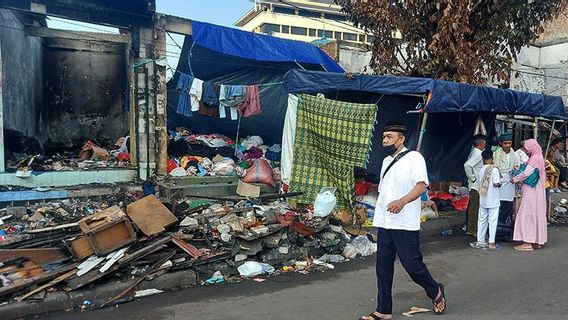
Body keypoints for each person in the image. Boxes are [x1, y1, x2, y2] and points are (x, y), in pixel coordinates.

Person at [361, 121, 446, 320]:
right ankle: (383, 310)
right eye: (383, 137)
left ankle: (434, 290)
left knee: (412, 265)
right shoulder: (385, 162)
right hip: (385, 222)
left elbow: (421, 186)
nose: (385, 140)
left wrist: (402, 201)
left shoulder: (414, 158)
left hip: (405, 223)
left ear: (401, 139)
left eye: (389, 136)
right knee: (383, 268)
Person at [511, 139, 547, 251]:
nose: (526, 150)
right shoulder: (539, 157)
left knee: (527, 212)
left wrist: (515, 179)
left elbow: (526, 173)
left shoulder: (534, 158)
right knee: (536, 212)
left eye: (527, 148)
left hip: (532, 190)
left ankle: (527, 242)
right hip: (538, 190)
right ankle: (536, 241)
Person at [470, 150, 501, 250]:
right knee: (492, 220)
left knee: (482, 219)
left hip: (483, 199)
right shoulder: (494, 170)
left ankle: (480, 240)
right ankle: (491, 242)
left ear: (482, 159)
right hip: (493, 199)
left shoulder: (480, 170)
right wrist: (500, 182)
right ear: (492, 158)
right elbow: (496, 183)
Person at [493, 133, 519, 229]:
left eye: (509, 143)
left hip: (510, 183)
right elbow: (495, 168)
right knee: (500, 206)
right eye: (505, 143)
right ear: (501, 143)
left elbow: (517, 166)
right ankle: (498, 228)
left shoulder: (514, 154)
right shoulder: (496, 154)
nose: (508, 145)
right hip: (500, 183)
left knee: (508, 206)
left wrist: (515, 171)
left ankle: (505, 229)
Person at [464, 134, 486, 235]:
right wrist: (473, 178)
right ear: (481, 143)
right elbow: (467, 165)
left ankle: (469, 227)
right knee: (475, 207)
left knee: (472, 206)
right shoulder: (478, 154)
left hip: (474, 185)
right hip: (475, 185)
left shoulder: (474, 152)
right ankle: (472, 229)